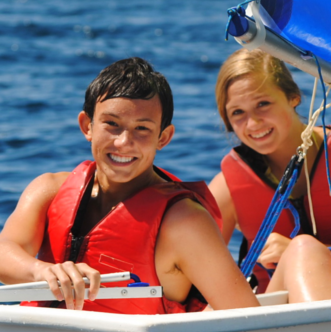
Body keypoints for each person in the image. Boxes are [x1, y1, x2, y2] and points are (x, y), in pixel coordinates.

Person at [0, 57, 259, 314]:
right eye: (112, 124)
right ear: (87, 126)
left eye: (142, 128)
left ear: (163, 137)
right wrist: (41, 269)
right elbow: (6, 250)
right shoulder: (49, 190)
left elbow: (249, 321)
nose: (124, 142)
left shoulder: (184, 221)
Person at [209, 48, 331, 303]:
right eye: (237, 113)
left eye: (262, 104)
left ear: (293, 97)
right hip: (276, 308)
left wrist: (321, 255)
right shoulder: (226, 187)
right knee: (305, 250)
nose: (253, 123)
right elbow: (197, 275)